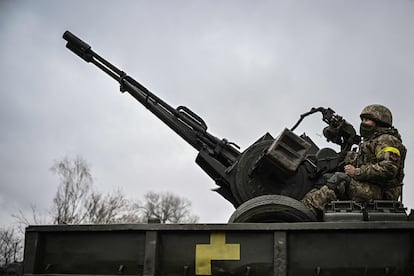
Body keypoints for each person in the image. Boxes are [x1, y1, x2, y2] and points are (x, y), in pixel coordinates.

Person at [302, 104, 406, 215]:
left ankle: (306, 211)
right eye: (363, 120)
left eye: (367, 120)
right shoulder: (370, 141)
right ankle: (305, 205)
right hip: (370, 186)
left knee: (339, 180)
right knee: (327, 177)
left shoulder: (387, 140)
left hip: (382, 192)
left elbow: (388, 169)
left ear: (379, 122)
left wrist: (356, 172)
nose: (363, 123)